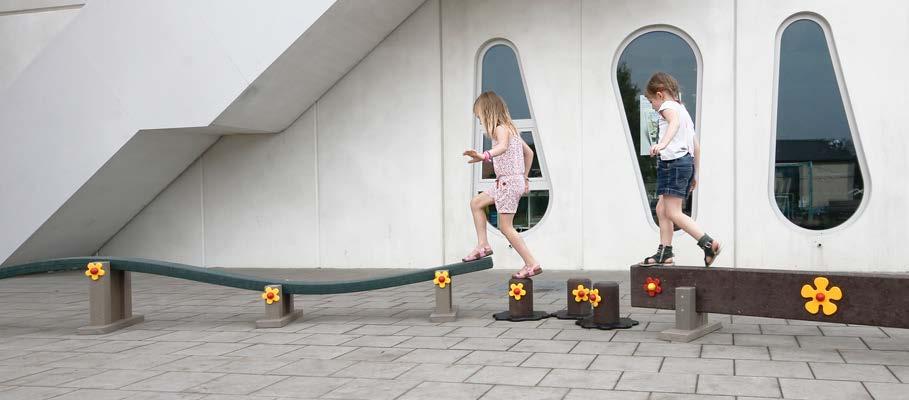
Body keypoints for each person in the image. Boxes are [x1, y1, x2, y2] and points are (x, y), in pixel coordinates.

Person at [640, 72, 721, 267]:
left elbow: (674, 124)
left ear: (660, 94)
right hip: (685, 163)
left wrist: (662, 144)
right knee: (661, 209)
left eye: (651, 101)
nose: (652, 106)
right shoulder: (683, 111)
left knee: (673, 212)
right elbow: (696, 146)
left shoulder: (667, 107)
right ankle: (665, 252)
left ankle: (708, 244)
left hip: (673, 164)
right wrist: (695, 174)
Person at [462, 91, 542, 278]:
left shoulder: (501, 129)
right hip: (507, 182)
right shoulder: (511, 130)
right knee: (476, 203)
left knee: (506, 227)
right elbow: (529, 153)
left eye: (479, 117)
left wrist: (484, 156)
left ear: (487, 112)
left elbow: (503, 147)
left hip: (508, 182)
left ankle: (531, 263)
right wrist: (524, 178)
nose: (480, 121)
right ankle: (483, 245)